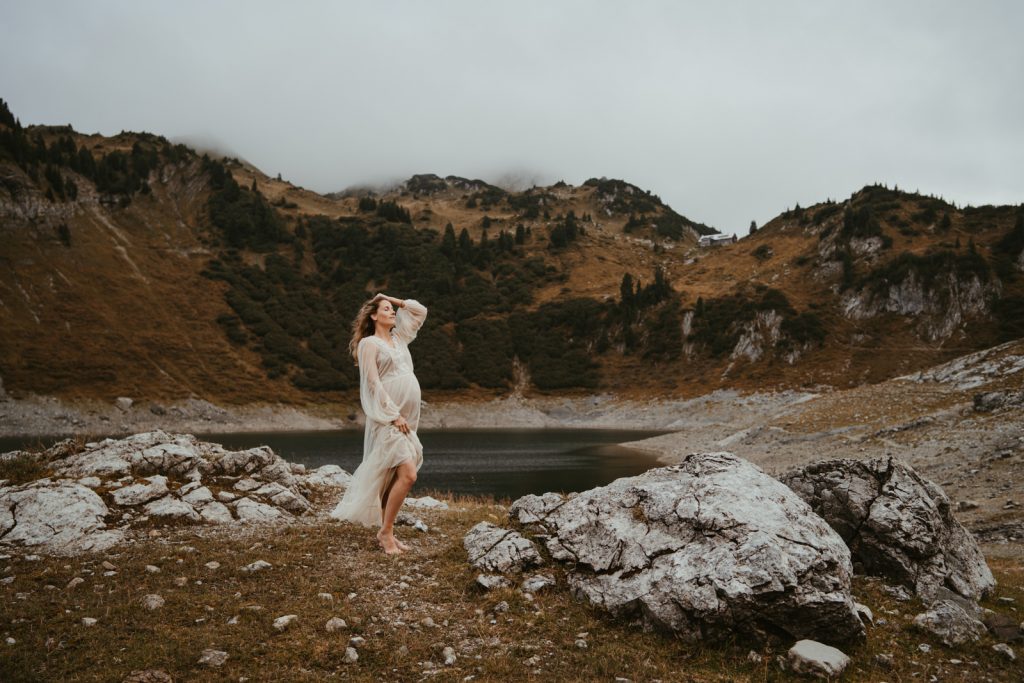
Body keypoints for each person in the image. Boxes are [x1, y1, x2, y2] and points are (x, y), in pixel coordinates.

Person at [330, 293, 428, 554]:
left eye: (392, 310)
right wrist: (392, 414)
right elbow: (372, 383)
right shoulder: (369, 344)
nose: (392, 313)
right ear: (374, 316)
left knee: (393, 475)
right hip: (388, 416)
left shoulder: (399, 339)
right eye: (386, 309)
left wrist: (391, 299)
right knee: (408, 474)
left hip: (408, 416)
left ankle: (389, 533)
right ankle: (384, 533)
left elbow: (420, 311)